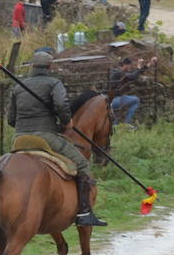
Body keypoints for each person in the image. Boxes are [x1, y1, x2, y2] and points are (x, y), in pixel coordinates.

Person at [7, 51, 107, 227]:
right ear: (50, 66)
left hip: (19, 138)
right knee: (82, 164)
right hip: (46, 136)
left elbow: (10, 120)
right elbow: (61, 104)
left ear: (32, 66)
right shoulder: (54, 83)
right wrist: (67, 122)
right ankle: (84, 212)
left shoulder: (18, 86)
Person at [108, 55, 156, 127]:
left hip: (111, 99)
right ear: (125, 65)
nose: (130, 67)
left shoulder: (117, 71)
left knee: (116, 115)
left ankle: (116, 126)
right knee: (136, 100)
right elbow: (133, 76)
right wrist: (139, 66)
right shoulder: (119, 73)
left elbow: (135, 72)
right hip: (113, 100)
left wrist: (149, 64)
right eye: (129, 66)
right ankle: (127, 123)